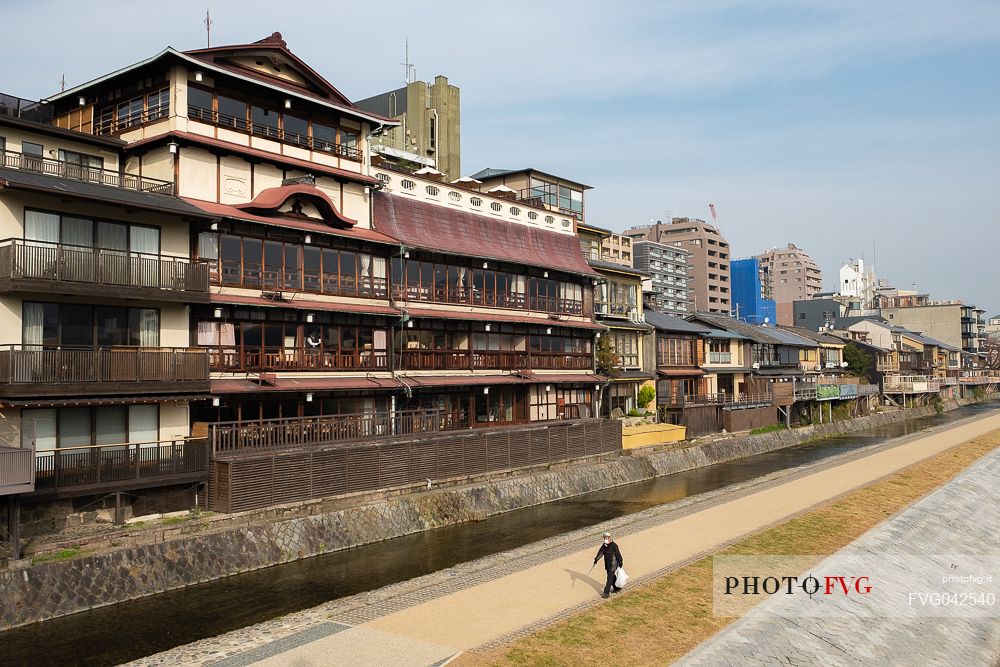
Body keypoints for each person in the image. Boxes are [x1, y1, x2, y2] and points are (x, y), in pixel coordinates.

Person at [593, 531, 624, 598]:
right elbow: (601, 552)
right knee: (612, 576)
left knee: (609, 578)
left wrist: (620, 561)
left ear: (609, 538)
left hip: (613, 564)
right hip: (607, 564)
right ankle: (616, 588)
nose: (605, 539)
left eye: (606, 538)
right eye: (604, 538)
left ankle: (606, 593)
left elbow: (618, 554)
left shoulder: (614, 546)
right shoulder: (604, 545)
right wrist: (596, 559)